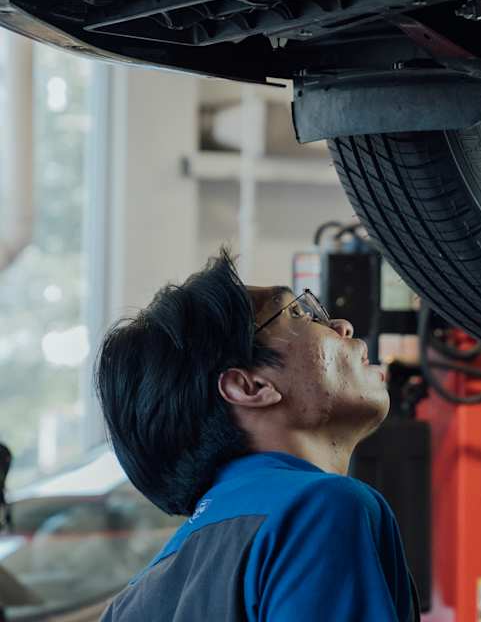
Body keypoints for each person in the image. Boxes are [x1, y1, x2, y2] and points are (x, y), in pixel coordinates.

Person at [95, 251, 416, 621]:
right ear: (251, 387)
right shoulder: (315, 510)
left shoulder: (129, 604)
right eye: (300, 314)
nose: (342, 326)